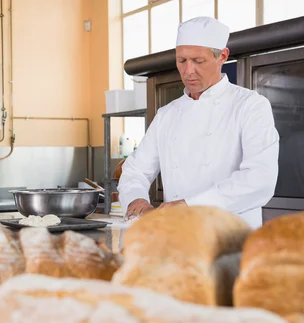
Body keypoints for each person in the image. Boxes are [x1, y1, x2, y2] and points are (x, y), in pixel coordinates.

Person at [118, 16, 279, 228]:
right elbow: (135, 170)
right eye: (181, 61)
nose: (188, 71)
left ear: (222, 56)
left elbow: (259, 180)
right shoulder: (167, 114)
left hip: (232, 238)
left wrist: (189, 206)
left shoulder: (250, 106)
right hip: (179, 236)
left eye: (198, 61)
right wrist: (136, 200)